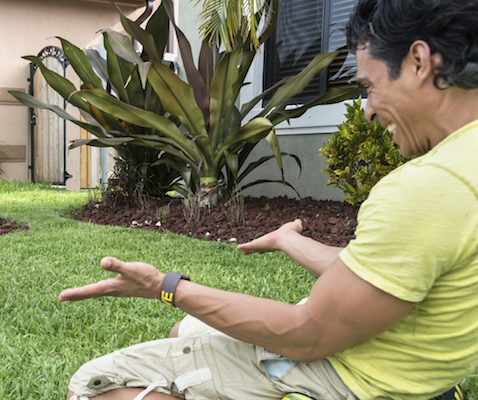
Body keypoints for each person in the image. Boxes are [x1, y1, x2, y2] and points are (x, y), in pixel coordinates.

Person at [58, 0, 478, 399]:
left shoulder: (431, 185)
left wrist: (165, 286)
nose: (367, 109)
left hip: (354, 380)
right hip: (414, 371)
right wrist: (286, 239)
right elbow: (383, 270)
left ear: (420, 62)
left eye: (370, 87)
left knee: (93, 387)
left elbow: (307, 333)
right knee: (183, 331)